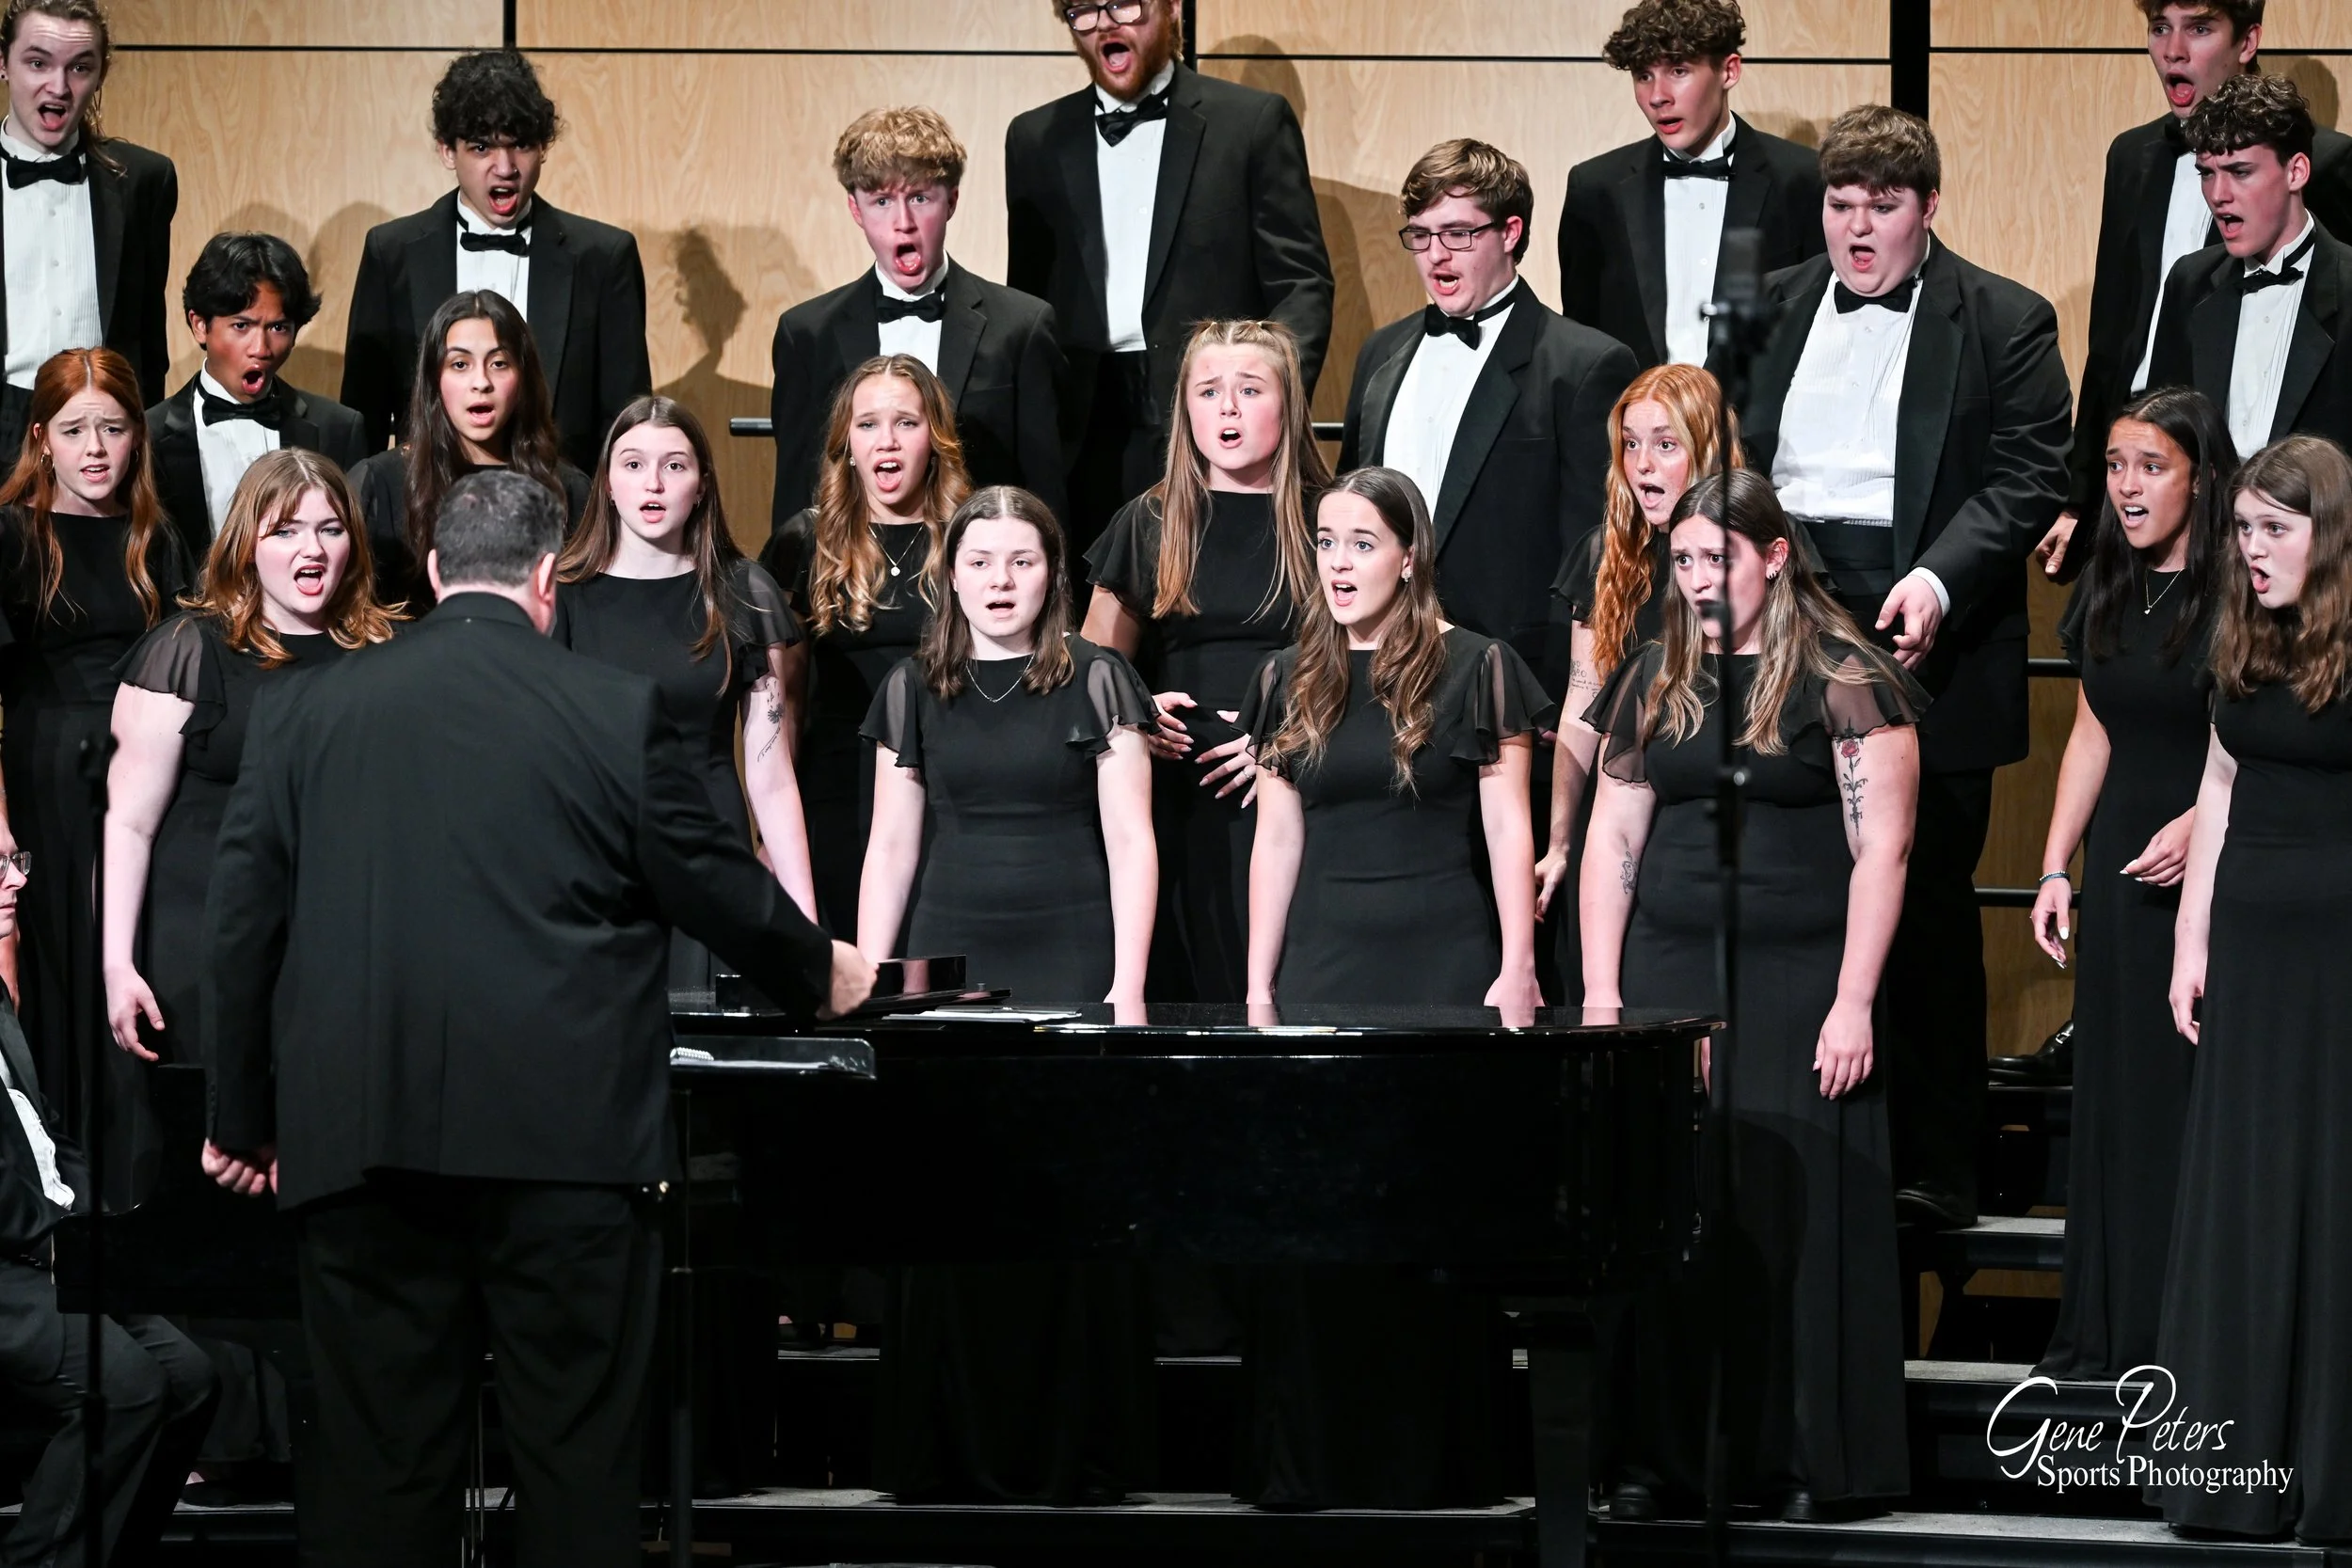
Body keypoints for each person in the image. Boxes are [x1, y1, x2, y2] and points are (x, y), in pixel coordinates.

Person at [201, 467, 874, 1568]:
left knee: (377, 1473)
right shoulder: (614, 709)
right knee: (576, 1465)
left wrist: (240, 1114)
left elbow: (241, 927)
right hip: (568, 1150)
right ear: (548, 578)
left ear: (433, 571)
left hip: (361, 1141)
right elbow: (709, 877)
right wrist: (818, 969)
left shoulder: (302, 708)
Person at [1743, 105, 2073, 1229]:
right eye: (1840, 205)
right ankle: (1799, 1149)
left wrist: (1936, 580)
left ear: (1927, 207)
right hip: (1784, 616)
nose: (1857, 228)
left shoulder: (2005, 317)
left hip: (1930, 627)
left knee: (1923, 906)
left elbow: (2030, 474)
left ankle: (1934, 1165)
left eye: (1881, 206)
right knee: (1798, 889)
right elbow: (1727, 456)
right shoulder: (1770, 303)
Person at [1581, 469, 1918, 1521]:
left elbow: (1882, 849)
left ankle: (1804, 1458)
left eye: (1714, 558)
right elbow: (1612, 838)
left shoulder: (1842, 673)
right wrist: (1603, 994)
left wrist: (1853, 999)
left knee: (1794, 1212)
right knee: (1679, 1208)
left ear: (1773, 557)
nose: (1694, 578)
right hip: (1672, 977)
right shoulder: (1656, 673)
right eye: (1681, 560)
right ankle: (1665, 1458)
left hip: (1800, 979)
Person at [1237, 467, 1549, 1511]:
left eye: (1362, 543)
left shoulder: (1479, 666)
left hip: (1441, 969)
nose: (1337, 562)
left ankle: (1432, 1469)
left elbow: (1508, 827)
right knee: (1318, 1221)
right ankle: (1314, 1466)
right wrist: (1258, 984)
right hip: (1323, 969)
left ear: (1409, 556)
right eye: (1325, 542)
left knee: (1431, 1219)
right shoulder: (1287, 674)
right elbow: (1276, 840)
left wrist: (1517, 961)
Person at [855, 484, 1157, 1506]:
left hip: (1070, 955)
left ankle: (1073, 1453)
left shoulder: (1099, 676)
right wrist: (870, 980)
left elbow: (1131, 840)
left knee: (1069, 1209)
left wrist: (1126, 983)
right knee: (952, 1206)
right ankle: (945, 1451)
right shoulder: (912, 685)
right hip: (950, 966)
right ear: (950, 575)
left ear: (1052, 574)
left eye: (1021, 562)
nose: (999, 581)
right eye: (979, 562)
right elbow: (890, 847)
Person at [2160, 434, 2352, 1544]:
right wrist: (2192, 941)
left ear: (2328, 535)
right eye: (2240, 529)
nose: (2252, 549)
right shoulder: (2242, 631)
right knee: (2251, 1183)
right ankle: (2236, 1473)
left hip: (2335, 951)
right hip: (2252, 943)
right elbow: (2220, 780)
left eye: (2274, 530)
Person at [2026, 388, 2234, 1382]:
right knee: (2117, 1099)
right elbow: (2091, 728)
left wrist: (2202, 824)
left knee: (2180, 1102)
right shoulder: (2109, 581)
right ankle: (2111, 1332)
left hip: (2211, 871)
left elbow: (2257, 739)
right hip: (2119, 869)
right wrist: (2052, 864)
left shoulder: (2240, 591)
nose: (2126, 485)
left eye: (2151, 465)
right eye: (2114, 465)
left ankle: (2183, 1337)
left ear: (2200, 476)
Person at [1006, 0, 1332, 549]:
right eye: (1085, 10)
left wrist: (1265, 401)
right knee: (1085, 597)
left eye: (1124, 4)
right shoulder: (1033, 138)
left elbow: (1303, 287)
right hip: (1078, 433)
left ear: (1173, 7)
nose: (1106, 24)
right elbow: (1026, 299)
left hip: (1208, 422)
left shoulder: (1251, 123)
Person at [2043, 0, 2352, 579]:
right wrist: (2081, 493)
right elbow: (2111, 333)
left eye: (2200, 28)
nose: (2174, 50)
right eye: (2160, 28)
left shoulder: (2331, 173)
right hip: (2170, 471)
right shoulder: (2141, 174)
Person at [1082, 319, 1326, 1002]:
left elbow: (1372, 664)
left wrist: (1283, 743)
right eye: (1209, 391)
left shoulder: (1327, 520)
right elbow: (1092, 669)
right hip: (1179, 789)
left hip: (1295, 783)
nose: (1228, 409)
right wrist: (1138, 712)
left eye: (1250, 389)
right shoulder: (1151, 520)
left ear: (1287, 402)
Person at [0, 346, 188, 1211]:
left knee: (136, 953)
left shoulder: (157, 535)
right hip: (51, 777)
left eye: (112, 428)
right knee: (62, 968)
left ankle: (139, 1184)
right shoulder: (14, 535)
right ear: (41, 437)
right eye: (75, 431)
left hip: (147, 774)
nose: (96, 450)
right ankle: (71, 1189)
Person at [0, 850, 218, 1568]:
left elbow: (46, 1130)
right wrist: (58, 1238)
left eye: (15, 859)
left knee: (191, 1381)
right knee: (123, 1389)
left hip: (56, 1242)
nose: (19, 879)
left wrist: (91, 1216)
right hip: (12, 1264)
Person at [556, 395, 816, 989]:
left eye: (674, 465)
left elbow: (772, 776)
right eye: (633, 464)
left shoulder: (743, 591)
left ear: (700, 486)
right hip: (595, 853)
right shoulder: (564, 596)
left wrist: (805, 926)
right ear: (607, 484)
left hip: (710, 852)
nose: (653, 483)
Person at [340, 48, 649, 471]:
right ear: (447, 151)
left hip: (562, 501)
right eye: (482, 147)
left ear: (543, 147)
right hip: (425, 499)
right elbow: (364, 417)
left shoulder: (605, 257)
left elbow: (627, 425)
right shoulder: (391, 253)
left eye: (521, 145)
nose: (505, 167)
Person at [770, 106, 1069, 530]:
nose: (903, 223)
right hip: (854, 564)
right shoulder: (807, 335)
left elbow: (1045, 501)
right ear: (855, 209)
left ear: (952, 201)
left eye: (919, 198)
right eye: (882, 201)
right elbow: (795, 503)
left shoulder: (1021, 328)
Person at [1536, 362, 1740, 963]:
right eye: (1630, 444)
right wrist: (1560, 842)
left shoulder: (1756, 550)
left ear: (1707, 450)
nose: (1642, 464)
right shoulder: (1605, 554)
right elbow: (1581, 707)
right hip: (1616, 816)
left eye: (1665, 445)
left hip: (1708, 816)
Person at [764, 355, 969, 936]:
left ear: (935, 439)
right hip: (839, 791)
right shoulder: (805, 541)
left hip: (951, 786)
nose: (887, 441)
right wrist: (773, 833)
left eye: (906, 422)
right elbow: (784, 705)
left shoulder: (973, 537)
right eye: (868, 424)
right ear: (847, 444)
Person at [1558, 0, 1826, 372]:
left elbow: (1821, 324)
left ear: (1729, 71)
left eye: (1678, 70)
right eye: (1643, 75)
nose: (1657, 96)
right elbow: (1581, 340)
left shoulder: (1803, 180)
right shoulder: (1595, 188)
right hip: (1634, 406)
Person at [0, 0, 176, 456]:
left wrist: (141, 439)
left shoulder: (143, 180)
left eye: (79, 67)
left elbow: (148, 337)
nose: (58, 87)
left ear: (100, 75)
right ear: (3, 63)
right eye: (38, 63)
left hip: (105, 423)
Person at [2146, 73, 2352, 462]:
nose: (2218, 195)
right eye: (2207, 173)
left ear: (2296, 172)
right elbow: (2165, 435)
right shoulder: (2189, 283)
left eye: (2240, 172)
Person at [348, 289, 589, 607]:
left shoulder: (568, 488)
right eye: (460, 364)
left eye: (499, 363)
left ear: (523, 377)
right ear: (434, 378)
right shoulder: (381, 483)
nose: (481, 382)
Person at [146, 232, 369, 562]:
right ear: (200, 325)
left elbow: (355, 557)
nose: (261, 349)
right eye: (242, 326)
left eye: (278, 328)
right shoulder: (147, 436)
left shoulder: (338, 429)